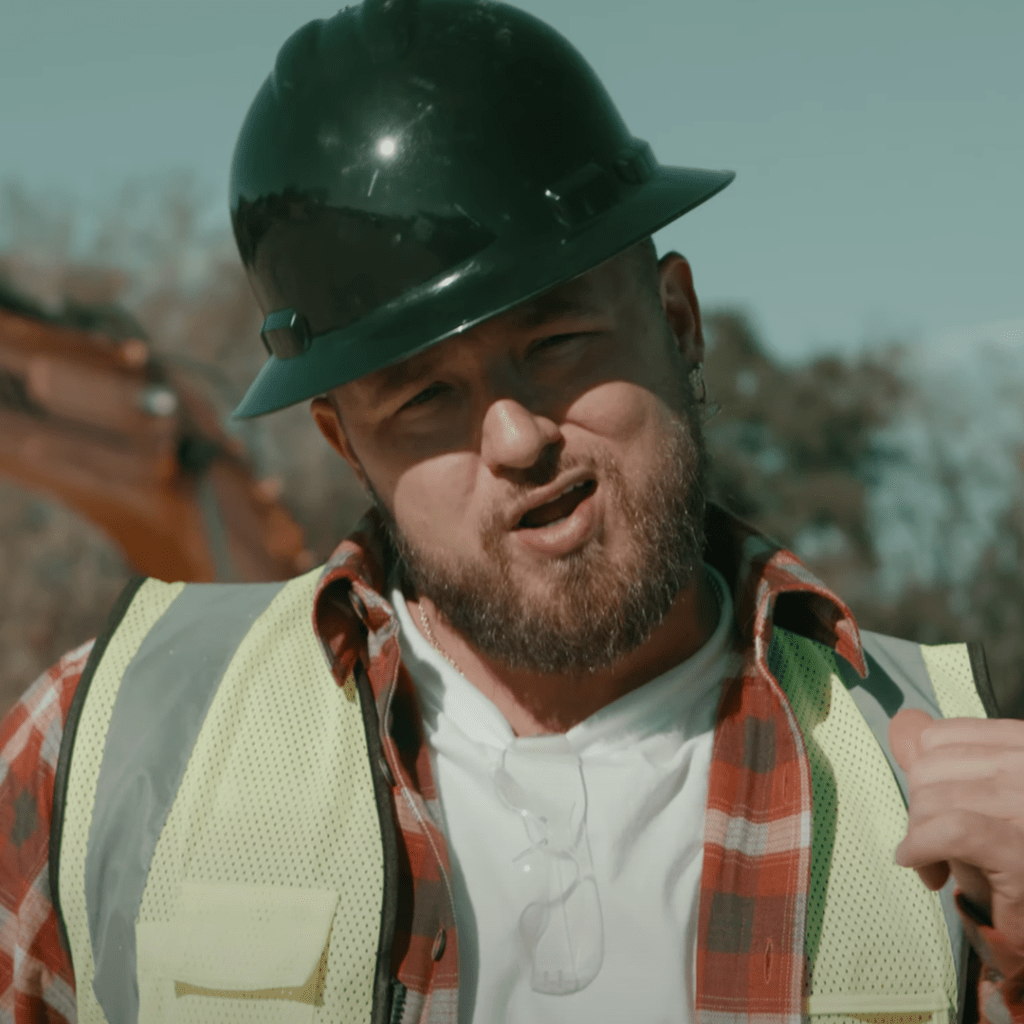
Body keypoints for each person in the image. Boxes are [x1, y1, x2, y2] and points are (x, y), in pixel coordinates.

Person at [2, 2, 1023, 1023]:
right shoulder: (102, 757)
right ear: (344, 443)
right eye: (422, 397)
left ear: (678, 321)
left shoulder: (956, 784)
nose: (515, 439)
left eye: (557, 343)